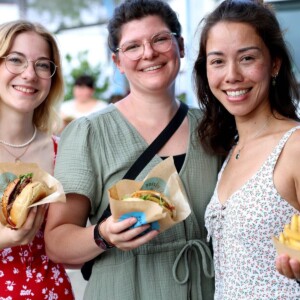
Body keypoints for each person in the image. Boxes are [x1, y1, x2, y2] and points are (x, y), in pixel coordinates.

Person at [44, 0, 220, 299]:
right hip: (126, 288)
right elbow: (57, 243)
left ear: (180, 45)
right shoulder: (89, 133)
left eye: (160, 39)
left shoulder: (213, 126)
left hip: (208, 286)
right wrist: (102, 235)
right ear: (117, 61)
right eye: (133, 46)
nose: (148, 53)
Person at [193, 0, 300, 298]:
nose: (232, 75)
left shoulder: (295, 147)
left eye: (247, 58)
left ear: (274, 63)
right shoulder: (230, 149)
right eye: (217, 61)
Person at [0, 20, 74, 299]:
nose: (29, 74)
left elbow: (71, 248)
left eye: (43, 65)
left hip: (52, 292)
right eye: (16, 60)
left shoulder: (64, 151)